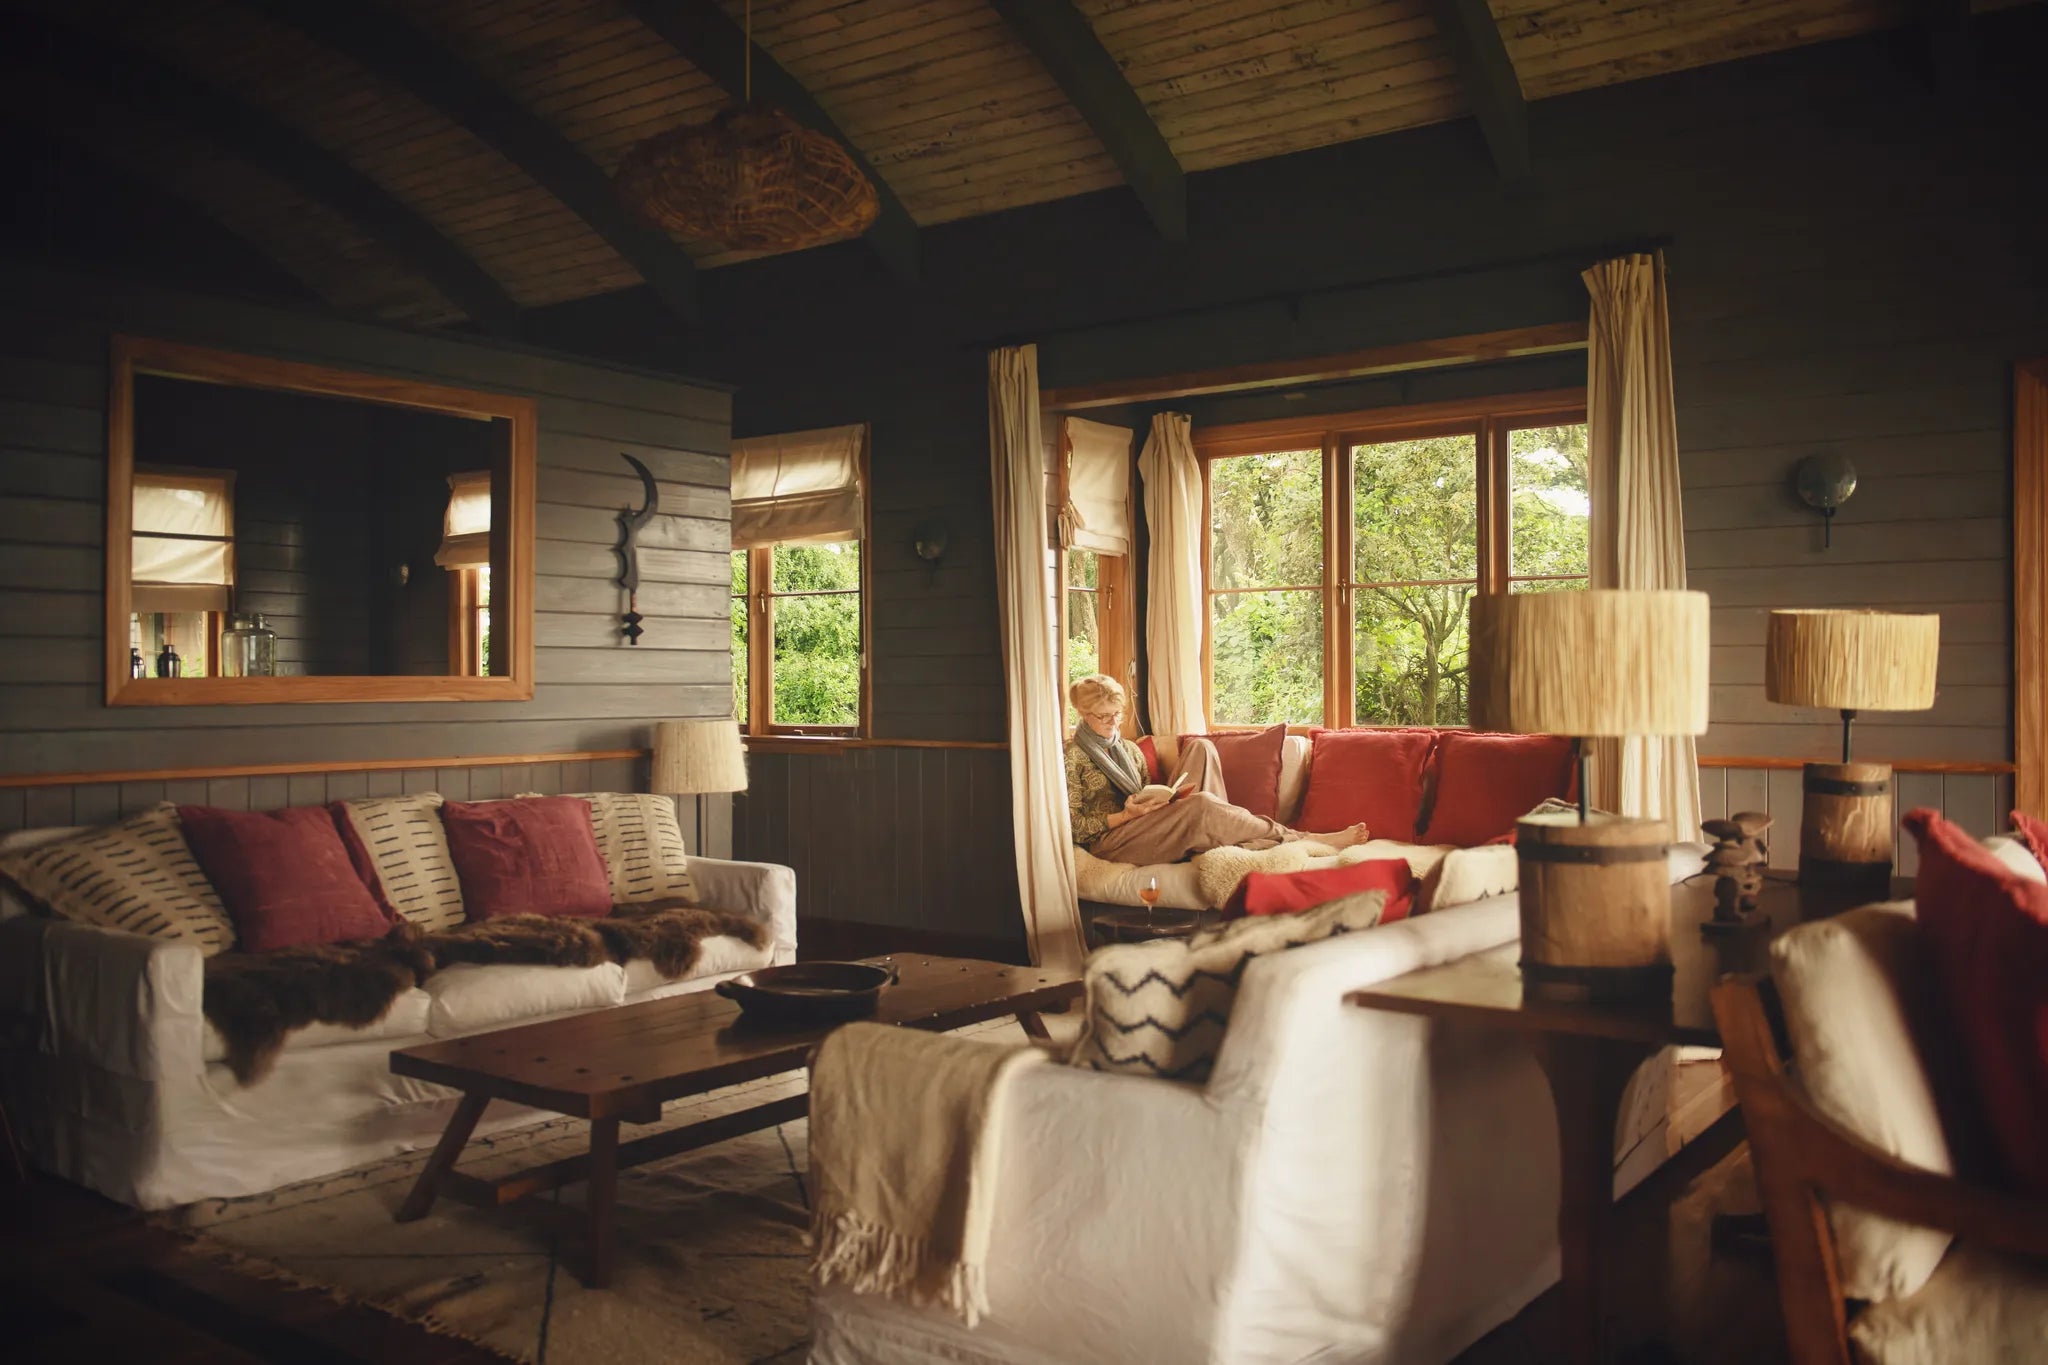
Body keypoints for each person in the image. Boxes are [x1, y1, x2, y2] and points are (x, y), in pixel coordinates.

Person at [1063, 674, 1368, 865]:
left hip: (1143, 824)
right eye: (1104, 717)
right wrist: (1125, 816)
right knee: (1203, 804)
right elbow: (1073, 826)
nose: (1113, 723)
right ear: (1083, 714)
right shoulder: (1073, 756)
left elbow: (1142, 792)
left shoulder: (1128, 749)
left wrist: (1157, 801)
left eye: (1117, 715)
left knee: (1201, 748)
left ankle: (1221, 839)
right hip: (1111, 842)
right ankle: (1304, 838)